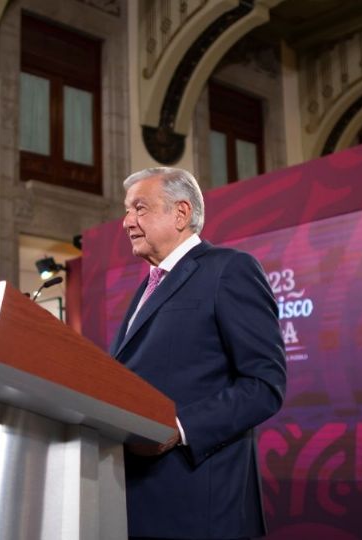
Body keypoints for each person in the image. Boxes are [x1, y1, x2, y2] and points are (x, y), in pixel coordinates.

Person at [110, 167, 287, 539]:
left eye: (139, 208)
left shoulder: (229, 269)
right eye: (126, 211)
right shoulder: (148, 286)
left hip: (199, 506)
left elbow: (264, 385)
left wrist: (178, 429)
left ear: (181, 213)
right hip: (137, 501)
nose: (127, 222)